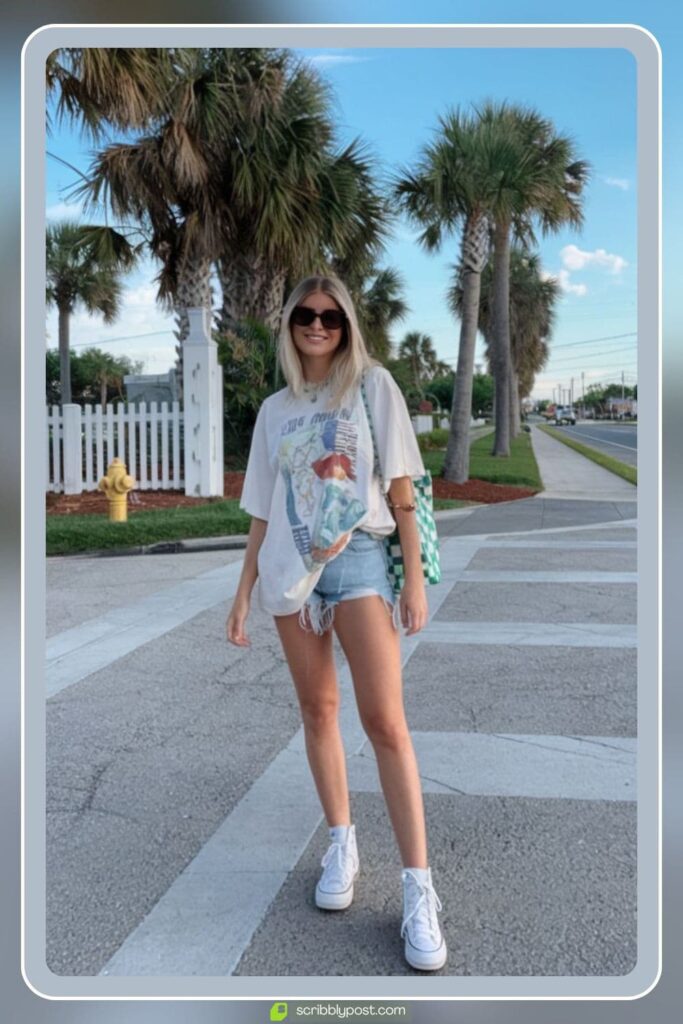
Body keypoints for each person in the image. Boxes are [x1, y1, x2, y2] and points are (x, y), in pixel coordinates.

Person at [226, 274, 447, 972]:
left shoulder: (372, 385)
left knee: (385, 723)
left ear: (346, 325)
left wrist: (411, 579)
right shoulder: (272, 410)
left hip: (357, 565)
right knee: (318, 711)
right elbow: (262, 509)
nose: (317, 326)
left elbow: (402, 492)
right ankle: (341, 843)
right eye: (304, 315)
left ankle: (419, 891)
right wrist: (242, 592)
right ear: (288, 324)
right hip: (291, 574)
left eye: (330, 317)